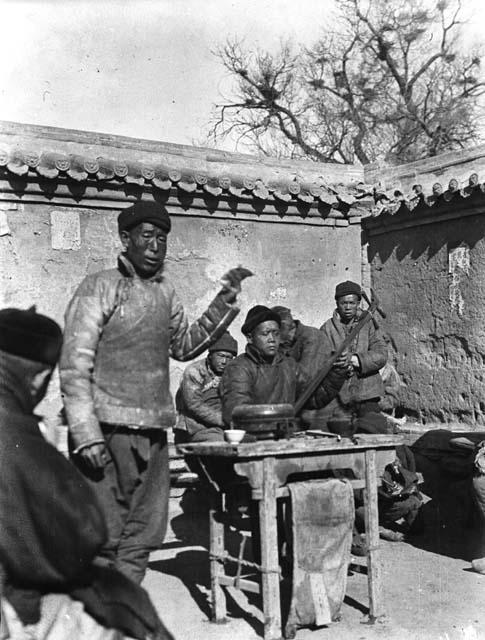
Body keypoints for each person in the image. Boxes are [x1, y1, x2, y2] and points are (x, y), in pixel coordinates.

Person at [60, 200, 246, 584]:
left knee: (146, 529)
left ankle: (124, 605)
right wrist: (85, 432)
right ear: (125, 238)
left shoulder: (165, 293)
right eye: (147, 235)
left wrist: (223, 304)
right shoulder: (99, 287)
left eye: (162, 237)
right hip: (109, 431)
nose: (156, 244)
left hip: (155, 431)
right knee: (105, 530)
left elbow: (184, 345)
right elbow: (74, 364)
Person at [0, 306, 171, 640]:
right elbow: (82, 536)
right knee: (128, 610)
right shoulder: (16, 434)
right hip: (10, 607)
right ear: (37, 379)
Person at [220, 305, 347, 426]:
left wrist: (337, 372)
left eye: (275, 333)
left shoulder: (289, 365)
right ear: (250, 338)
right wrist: (277, 422)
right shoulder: (239, 368)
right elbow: (237, 413)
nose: (272, 339)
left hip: (285, 436)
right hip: (254, 440)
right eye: (265, 334)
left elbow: (313, 398)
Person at [319, 280, 388, 435]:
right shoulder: (326, 329)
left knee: (373, 432)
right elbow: (321, 360)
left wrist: (355, 359)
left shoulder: (368, 324)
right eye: (344, 303)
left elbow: (381, 354)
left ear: (358, 303)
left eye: (352, 302)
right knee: (340, 435)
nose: (348, 307)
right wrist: (336, 362)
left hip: (368, 393)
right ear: (337, 303)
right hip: (339, 396)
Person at [175, 331, 238, 443]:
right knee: (220, 443)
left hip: (222, 426)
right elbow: (194, 405)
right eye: (220, 356)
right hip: (195, 426)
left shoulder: (232, 372)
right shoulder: (194, 371)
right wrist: (223, 420)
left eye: (229, 357)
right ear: (210, 356)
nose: (224, 362)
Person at [270, 306, 329, 378]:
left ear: (290, 329)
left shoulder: (313, 337)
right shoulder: (286, 341)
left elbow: (306, 378)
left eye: (276, 334)